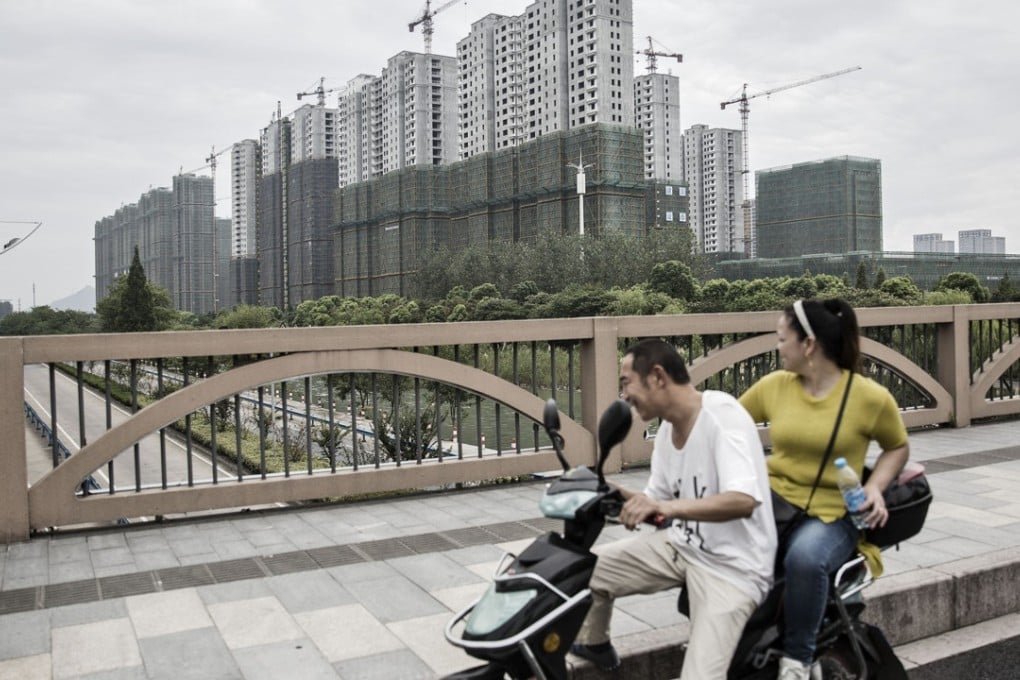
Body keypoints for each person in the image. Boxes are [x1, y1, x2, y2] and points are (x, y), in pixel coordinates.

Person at [571, 338, 777, 679]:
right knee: (582, 571)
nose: (624, 396)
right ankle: (593, 643)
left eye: (626, 383)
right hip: (682, 545)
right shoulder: (666, 433)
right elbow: (656, 507)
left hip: (732, 568)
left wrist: (665, 506)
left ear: (656, 376)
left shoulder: (720, 415)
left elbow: (743, 499)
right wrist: (603, 488)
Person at [739, 298, 909, 680]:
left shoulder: (869, 397)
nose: (778, 346)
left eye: (783, 339)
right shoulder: (774, 387)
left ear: (809, 345)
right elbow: (728, 421)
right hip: (777, 502)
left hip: (834, 513)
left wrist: (877, 488)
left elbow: (897, 447)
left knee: (806, 559)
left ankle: (798, 660)